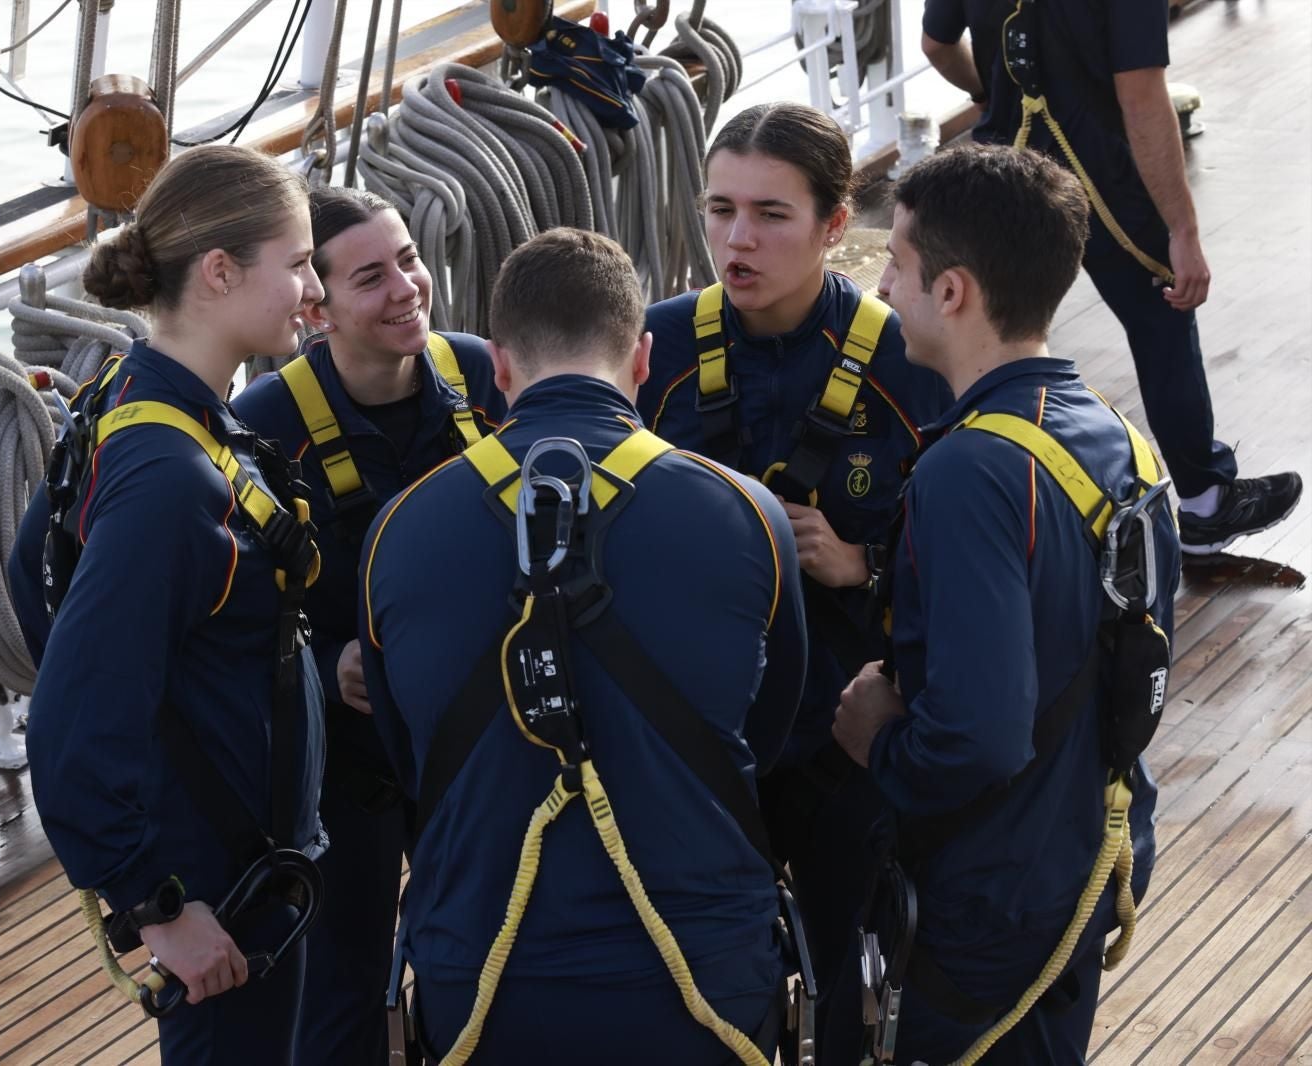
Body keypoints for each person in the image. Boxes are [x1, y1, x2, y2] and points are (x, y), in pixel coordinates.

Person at [359, 228, 809, 1063]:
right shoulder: (746, 514)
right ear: (642, 359)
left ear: (497, 367)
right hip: (699, 980)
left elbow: (403, 753)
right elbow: (771, 726)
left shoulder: (398, 528)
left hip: (484, 980)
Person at [831, 144, 1179, 1063]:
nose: (884, 293)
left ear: (952, 293)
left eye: (897, 269)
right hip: (1085, 855)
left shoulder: (971, 471)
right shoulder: (1119, 440)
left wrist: (879, 740)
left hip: (993, 894)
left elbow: (979, 735)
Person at [7, 145, 327, 1064]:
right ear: (220, 273)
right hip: (219, 895)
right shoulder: (170, 479)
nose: (314, 288)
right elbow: (70, 724)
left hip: (239, 863)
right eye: (298, 262)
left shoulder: (136, 396)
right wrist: (159, 906)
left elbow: (39, 571)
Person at [633, 100, 950, 1019]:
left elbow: (970, 555)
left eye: (772, 215)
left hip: (841, 742)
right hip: (695, 743)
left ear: (835, 225)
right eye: (720, 209)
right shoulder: (649, 356)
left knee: (851, 976)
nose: (738, 239)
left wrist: (867, 565)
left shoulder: (906, 361)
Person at [231, 184, 505, 1066]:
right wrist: (324, 660)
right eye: (371, 278)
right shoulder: (265, 426)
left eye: (411, 261)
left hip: (474, 736)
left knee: (488, 945)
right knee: (341, 977)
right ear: (318, 308)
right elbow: (234, 612)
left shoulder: (479, 375)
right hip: (345, 769)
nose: (406, 290)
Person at [921, 0, 1301, 554]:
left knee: (980, 331)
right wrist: (1184, 231)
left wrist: (992, 90)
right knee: (1161, 323)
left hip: (1005, 163)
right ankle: (1204, 505)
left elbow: (937, 45)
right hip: (1103, 175)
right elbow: (1141, 96)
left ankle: (966, 492)